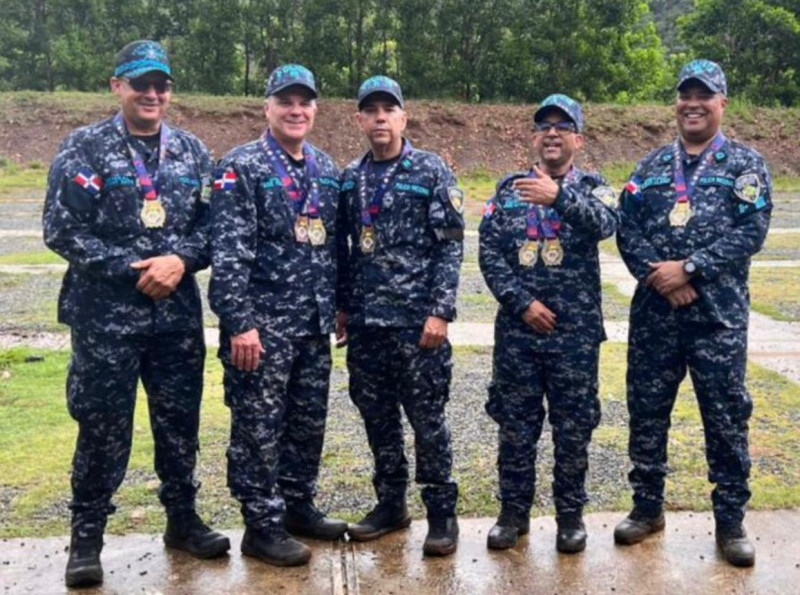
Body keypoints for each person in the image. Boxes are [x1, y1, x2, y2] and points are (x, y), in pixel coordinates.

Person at [43, 40, 229, 589]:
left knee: (179, 426)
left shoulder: (193, 151)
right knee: (102, 427)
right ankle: (87, 536)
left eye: (161, 85)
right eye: (140, 83)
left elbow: (214, 226)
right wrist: (135, 269)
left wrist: (181, 261)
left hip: (175, 320)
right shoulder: (85, 148)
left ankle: (182, 520)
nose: (152, 93)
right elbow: (61, 230)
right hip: (106, 321)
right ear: (116, 86)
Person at [614, 60, 772, 567]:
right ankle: (647, 508)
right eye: (686, 94)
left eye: (705, 95)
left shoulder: (746, 165)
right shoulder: (651, 165)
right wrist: (659, 276)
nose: (693, 103)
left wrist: (691, 269)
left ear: (722, 103)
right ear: (677, 103)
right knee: (647, 414)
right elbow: (626, 226)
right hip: (655, 316)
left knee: (725, 420)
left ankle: (730, 522)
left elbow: (752, 231)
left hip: (717, 321)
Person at [209, 64, 346, 567]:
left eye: (304, 101)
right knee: (257, 428)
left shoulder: (327, 169)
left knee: (307, 422)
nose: (296, 110)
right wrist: (239, 323)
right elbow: (228, 254)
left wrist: (340, 306)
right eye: (285, 101)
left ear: (314, 109)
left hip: (312, 324)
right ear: (266, 107)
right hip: (261, 329)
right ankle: (261, 526)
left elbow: (336, 247)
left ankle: (298, 508)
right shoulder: (239, 166)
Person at [478, 94, 618, 553]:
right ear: (533, 138)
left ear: (578, 138)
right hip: (519, 334)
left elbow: (605, 223)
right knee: (515, 427)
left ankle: (570, 517)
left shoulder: (594, 186)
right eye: (543, 126)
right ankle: (512, 514)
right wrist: (521, 303)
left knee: (573, 427)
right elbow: (489, 253)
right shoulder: (508, 189)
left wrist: (559, 197)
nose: (552, 133)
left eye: (563, 126)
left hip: (574, 338)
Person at [336, 76, 465, 556]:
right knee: (378, 419)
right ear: (360, 121)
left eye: (389, 109)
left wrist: (440, 312)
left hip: (418, 326)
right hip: (369, 326)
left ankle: (441, 513)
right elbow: (347, 250)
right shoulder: (351, 178)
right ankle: (391, 504)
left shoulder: (431, 171)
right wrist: (344, 306)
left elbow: (450, 248)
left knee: (427, 419)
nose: (380, 118)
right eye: (371, 111)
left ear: (404, 117)